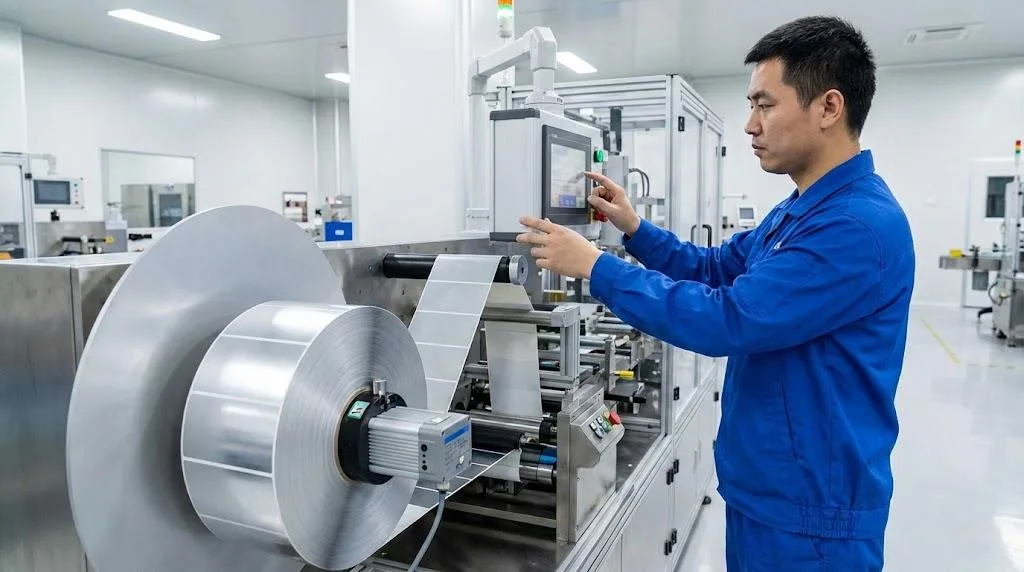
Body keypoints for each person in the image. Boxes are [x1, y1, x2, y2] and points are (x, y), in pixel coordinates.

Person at [516, 15, 914, 571]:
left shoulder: (855, 227)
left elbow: (729, 319)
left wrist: (598, 268)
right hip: (768, 492)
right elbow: (713, 267)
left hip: (813, 519)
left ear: (829, 107)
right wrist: (635, 229)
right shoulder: (801, 209)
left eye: (765, 105)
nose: (750, 125)